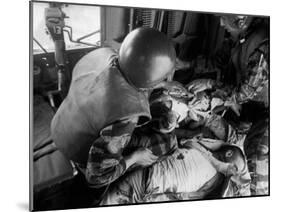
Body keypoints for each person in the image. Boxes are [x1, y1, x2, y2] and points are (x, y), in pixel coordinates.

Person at [50, 27, 176, 190]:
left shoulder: (101, 54)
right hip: (79, 155)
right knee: (168, 142)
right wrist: (135, 157)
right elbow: (97, 177)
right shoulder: (126, 117)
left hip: (60, 126)